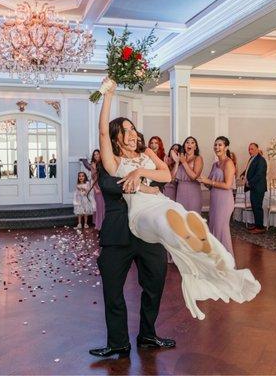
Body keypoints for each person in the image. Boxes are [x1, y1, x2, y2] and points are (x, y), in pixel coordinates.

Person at [96, 78, 260, 321]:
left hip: (160, 200)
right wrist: (108, 95)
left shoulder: (146, 152)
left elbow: (164, 173)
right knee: (162, 223)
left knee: (178, 214)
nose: (131, 134)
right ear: (115, 137)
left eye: (132, 129)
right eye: (125, 130)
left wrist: (140, 172)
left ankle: (202, 245)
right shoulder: (114, 162)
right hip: (139, 211)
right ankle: (186, 236)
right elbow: (101, 131)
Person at [197, 136, 236, 254]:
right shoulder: (215, 164)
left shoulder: (228, 163)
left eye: (220, 145)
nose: (217, 147)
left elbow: (227, 185)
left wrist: (209, 182)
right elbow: (210, 184)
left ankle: (226, 261)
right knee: (213, 227)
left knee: (221, 230)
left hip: (224, 200)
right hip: (214, 199)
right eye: (215, 145)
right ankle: (215, 259)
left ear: (226, 147)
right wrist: (203, 180)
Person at [175, 136, 203, 213]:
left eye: (192, 142)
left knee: (193, 218)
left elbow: (194, 177)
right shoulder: (180, 159)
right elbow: (173, 178)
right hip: (180, 191)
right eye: (187, 142)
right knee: (181, 217)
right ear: (184, 146)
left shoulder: (198, 158)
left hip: (193, 191)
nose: (189, 144)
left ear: (195, 147)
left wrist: (184, 162)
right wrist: (178, 162)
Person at [244, 143, 267, 233]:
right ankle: (257, 224)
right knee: (254, 206)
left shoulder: (261, 160)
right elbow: (249, 170)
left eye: (252, 149)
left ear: (257, 149)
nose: (250, 151)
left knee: (257, 207)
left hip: (258, 187)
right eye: (249, 149)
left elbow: (259, 174)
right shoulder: (252, 158)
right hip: (254, 187)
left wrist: (249, 182)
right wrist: (244, 175)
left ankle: (260, 228)